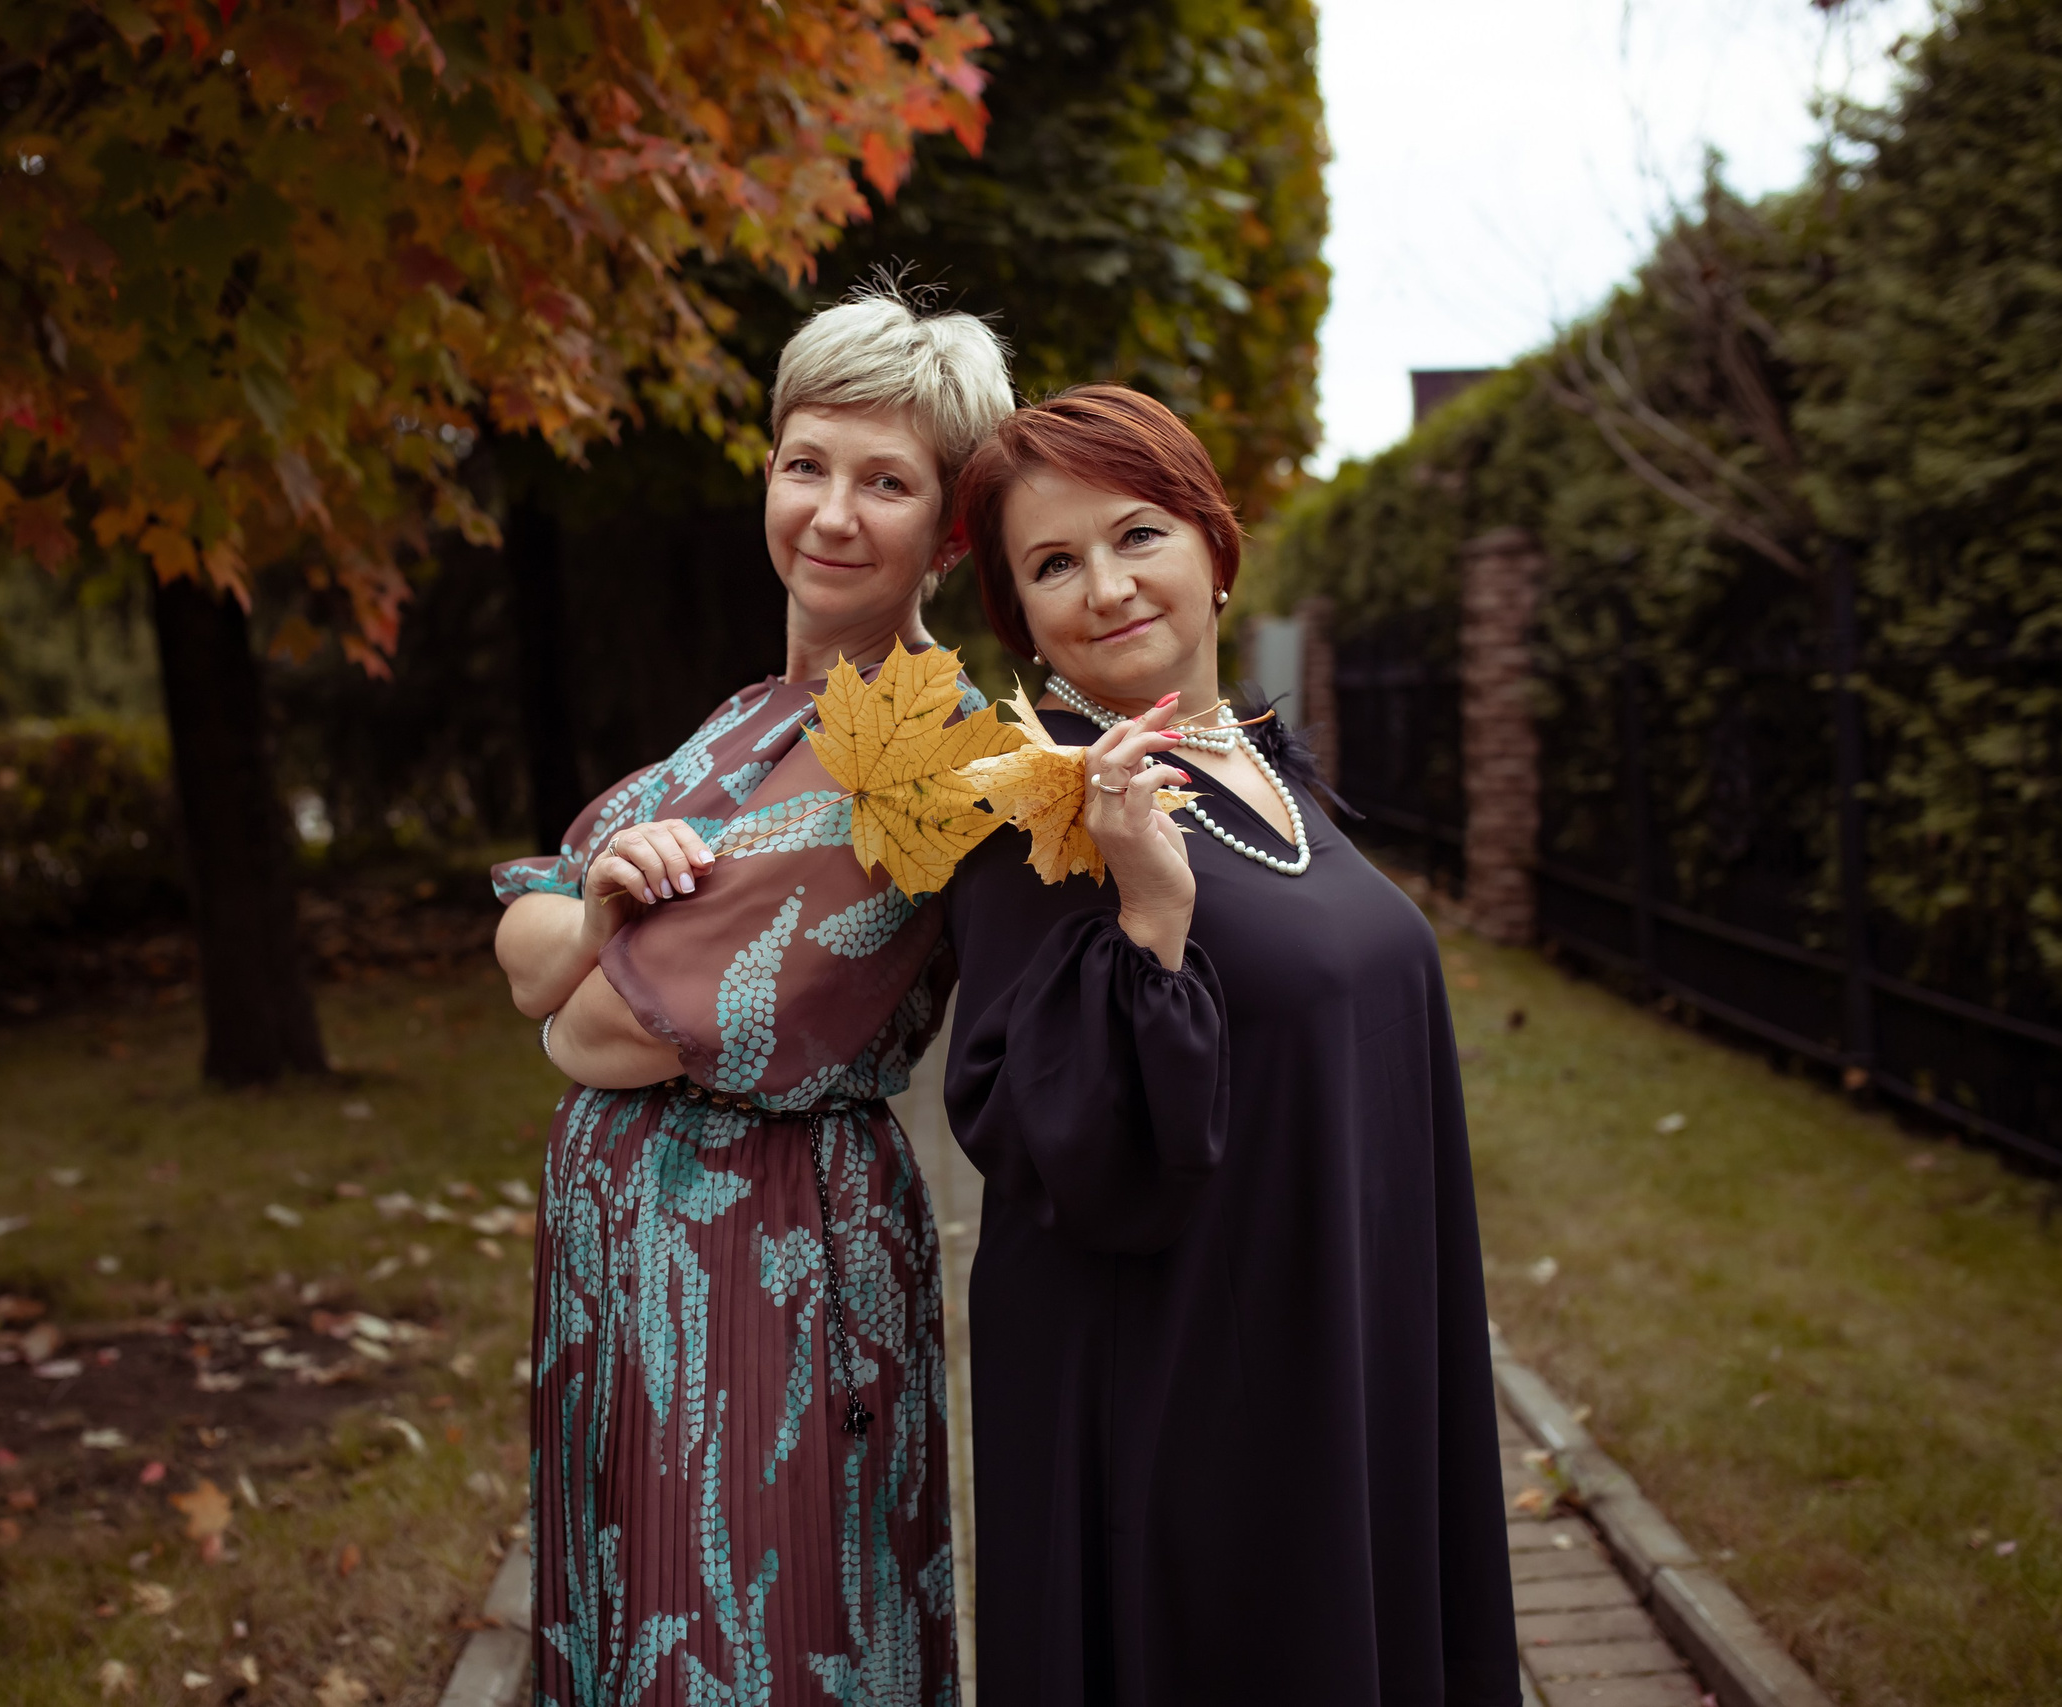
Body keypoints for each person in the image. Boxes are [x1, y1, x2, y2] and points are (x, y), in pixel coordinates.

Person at [940, 385, 1519, 1705]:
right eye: (1051, 563)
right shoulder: (1044, 816)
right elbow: (1056, 1146)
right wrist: (1150, 909)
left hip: (1348, 1341)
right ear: (1023, 619)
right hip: (1192, 1407)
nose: (1104, 585)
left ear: (1213, 544)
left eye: (1136, 533)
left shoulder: (1266, 763)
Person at [490, 286, 1011, 1706]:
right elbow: (527, 945)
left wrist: (580, 941)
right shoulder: (750, 715)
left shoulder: (915, 757)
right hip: (635, 1278)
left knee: (750, 1647)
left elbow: (595, 1030)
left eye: (887, 481)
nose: (834, 512)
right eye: (807, 464)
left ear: (951, 528)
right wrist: (593, 909)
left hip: (752, 1274)